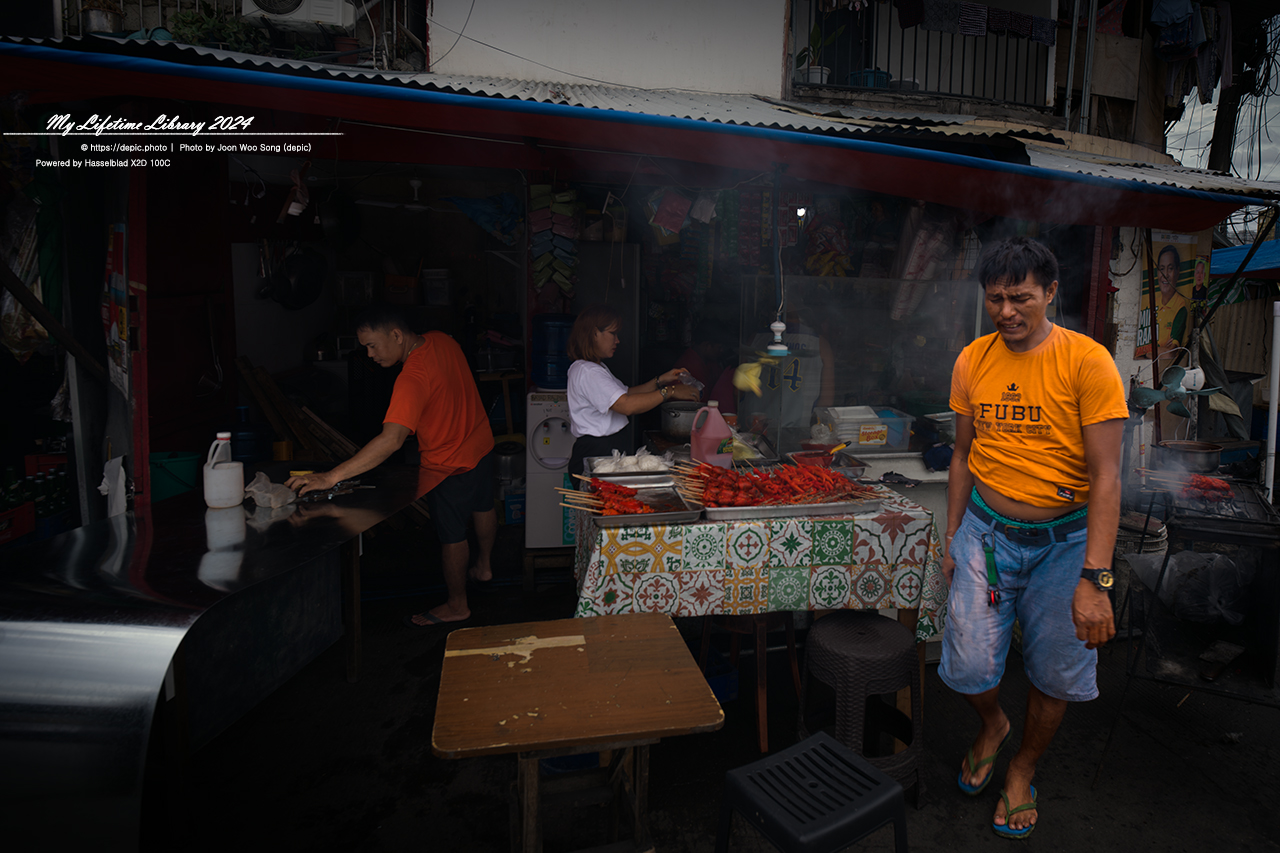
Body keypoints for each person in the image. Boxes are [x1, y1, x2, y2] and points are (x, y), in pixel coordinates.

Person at [940, 236, 1127, 839]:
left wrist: (1095, 579)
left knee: (1056, 671)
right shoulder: (973, 359)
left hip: (1066, 544)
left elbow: (1107, 477)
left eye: (1021, 297)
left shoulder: (1087, 361)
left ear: (1050, 293)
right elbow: (963, 456)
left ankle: (1022, 767)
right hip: (986, 535)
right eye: (995, 299)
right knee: (967, 664)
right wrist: (952, 534)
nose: (1007, 311)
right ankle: (993, 725)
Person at [286, 304, 495, 626]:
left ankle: (457, 605)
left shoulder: (411, 377)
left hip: (449, 464)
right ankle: (484, 567)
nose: (369, 354)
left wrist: (332, 476)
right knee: (483, 506)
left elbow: (392, 440)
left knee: (452, 536)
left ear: (396, 335)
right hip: (481, 445)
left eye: (372, 345)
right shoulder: (443, 340)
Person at [566, 305, 699, 476]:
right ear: (594, 333)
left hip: (604, 448)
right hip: (596, 450)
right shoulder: (589, 372)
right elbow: (626, 405)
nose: (617, 340)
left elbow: (627, 394)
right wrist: (670, 392)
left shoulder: (595, 368)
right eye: (613, 333)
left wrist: (660, 381)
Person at [1154, 244, 1189, 356]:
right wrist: (1161, 349)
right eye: (1162, 269)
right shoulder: (1152, 303)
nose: (1165, 275)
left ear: (1177, 272)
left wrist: (1147, 352)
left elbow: (1170, 353)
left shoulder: (1180, 308)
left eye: (1170, 268)